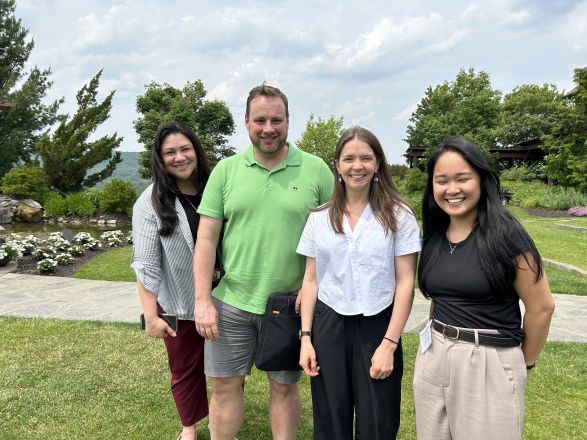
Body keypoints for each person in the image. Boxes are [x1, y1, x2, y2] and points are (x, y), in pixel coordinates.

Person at [193, 83, 334, 440]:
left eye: (276, 120)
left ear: (288, 121)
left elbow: (335, 239)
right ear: (246, 122)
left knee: (284, 388)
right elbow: (206, 239)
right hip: (231, 304)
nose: (268, 128)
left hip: (290, 305)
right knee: (225, 388)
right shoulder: (225, 172)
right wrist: (203, 301)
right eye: (260, 120)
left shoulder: (316, 171)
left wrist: (313, 289)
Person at [413, 137, 555, 440]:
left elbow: (542, 307)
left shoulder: (507, 235)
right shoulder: (436, 234)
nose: (452, 189)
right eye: (442, 180)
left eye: (462, 178)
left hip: (489, 359)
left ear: (481, 180)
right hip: (434, 354)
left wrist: (522, 363)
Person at [297, 126, 421, 439]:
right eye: (349, 158)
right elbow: (311, 281)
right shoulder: (319, 219)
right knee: (330, 420)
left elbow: (406, 283)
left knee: (377, 420)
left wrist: (390, 344)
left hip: (378, 325)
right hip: (329, 325)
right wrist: (306, 338)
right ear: (336, 164)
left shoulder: (399, 215)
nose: (357, 166)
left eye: (366, 158)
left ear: (378, 163)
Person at [131, 121, 211, 440]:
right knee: (184, 369)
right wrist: (150, 316)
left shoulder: (216, 188)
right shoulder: (151, 201)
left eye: (185, 149)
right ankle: (188, 428)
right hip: (177, 302)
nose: (179, 157)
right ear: (160, 158)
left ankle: (223, 424)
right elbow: (146, 265)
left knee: (225, 370)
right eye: (170, 152)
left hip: (224, 299)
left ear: (196, 151)